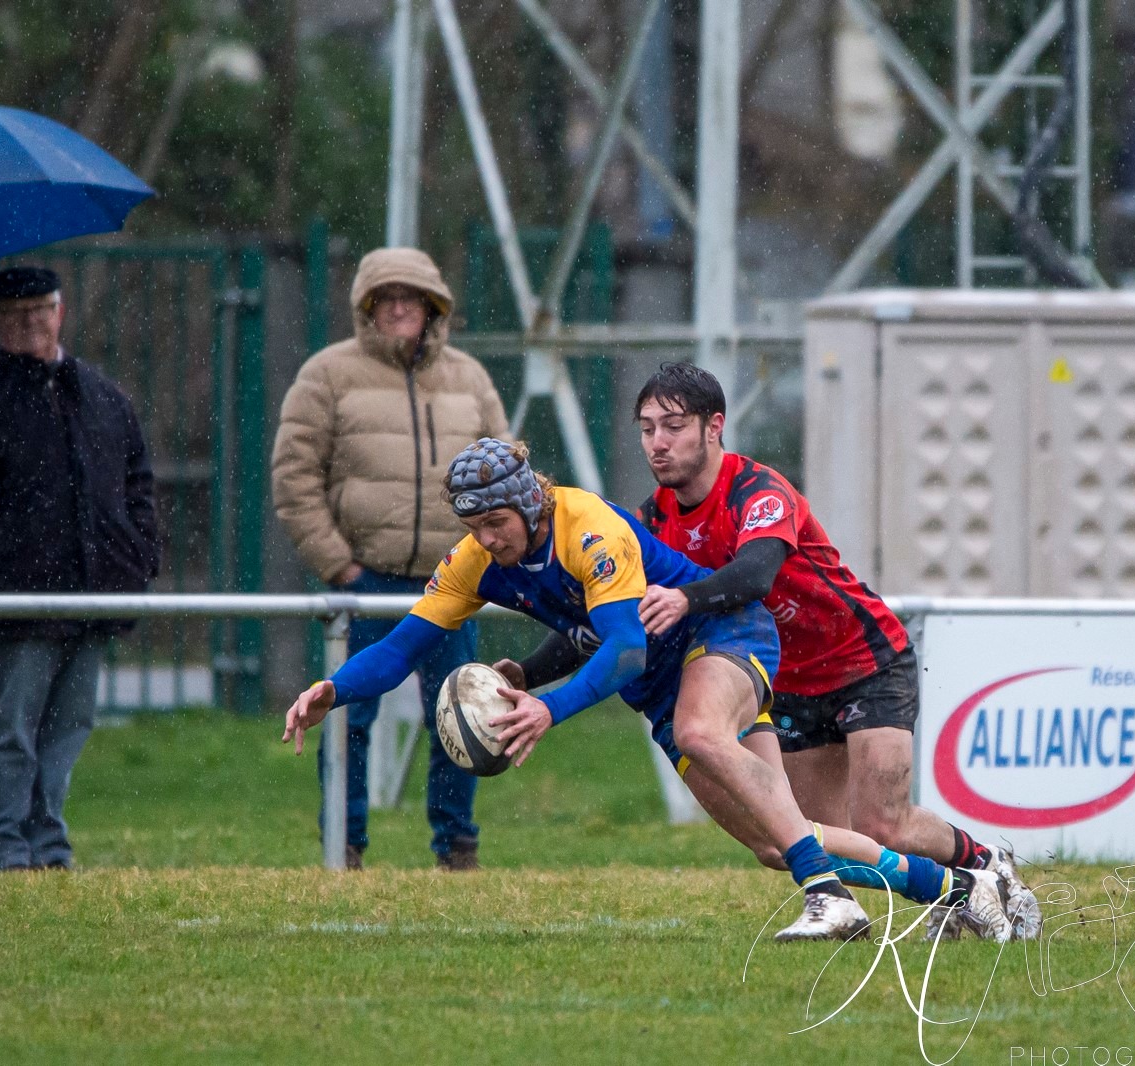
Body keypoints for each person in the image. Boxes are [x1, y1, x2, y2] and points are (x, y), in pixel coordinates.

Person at [285, 438, 1025, 942]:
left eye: (497, 523)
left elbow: (628, 651)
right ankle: (960, 888)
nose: (487, 538)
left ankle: (828, 897)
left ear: (531, 504)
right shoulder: (477, 561)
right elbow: (403, 646)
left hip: (726, 636)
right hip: (664, 690)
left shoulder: (589, 528)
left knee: (707, 734)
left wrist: (549, 706)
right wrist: (333, 688)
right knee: (779, 837)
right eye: (474, 526)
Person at [514, 361, 1039, 939]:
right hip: (786, 682)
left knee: (882, 824)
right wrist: (526, 672)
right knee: (802, 832)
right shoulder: (650, 521)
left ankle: (989, 867)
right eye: (646, 429)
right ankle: (949, 895)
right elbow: (601, 620)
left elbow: (756, 573)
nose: (656, 443)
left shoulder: (758, 491)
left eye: (673, 426)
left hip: (864, 661)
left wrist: (687, 598)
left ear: (714, 427)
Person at [0, 266, 160, 872]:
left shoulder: (102, 395)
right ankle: (0, 842)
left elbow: (138, 485)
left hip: (94, 592)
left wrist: (138, 553)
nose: (31, 322)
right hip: (18, 596)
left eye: (41, 309)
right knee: (13, 729)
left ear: (61, 312)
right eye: (16, 313)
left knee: (70, 726)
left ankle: (46, 840)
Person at [271, 247, 508, 871]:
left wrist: (485, 559)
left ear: (435, 307)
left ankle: (457, 846)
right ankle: (343, 846)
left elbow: (509, 473)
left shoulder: (470, 378)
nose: (400, 307)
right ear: (366, 308)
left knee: (461, 714)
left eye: (413, 297)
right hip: (364, 581)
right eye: (386, 297)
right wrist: (339, 566)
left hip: (453, 582)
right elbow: (294, 478)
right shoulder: (326, 375)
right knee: (346, 716)